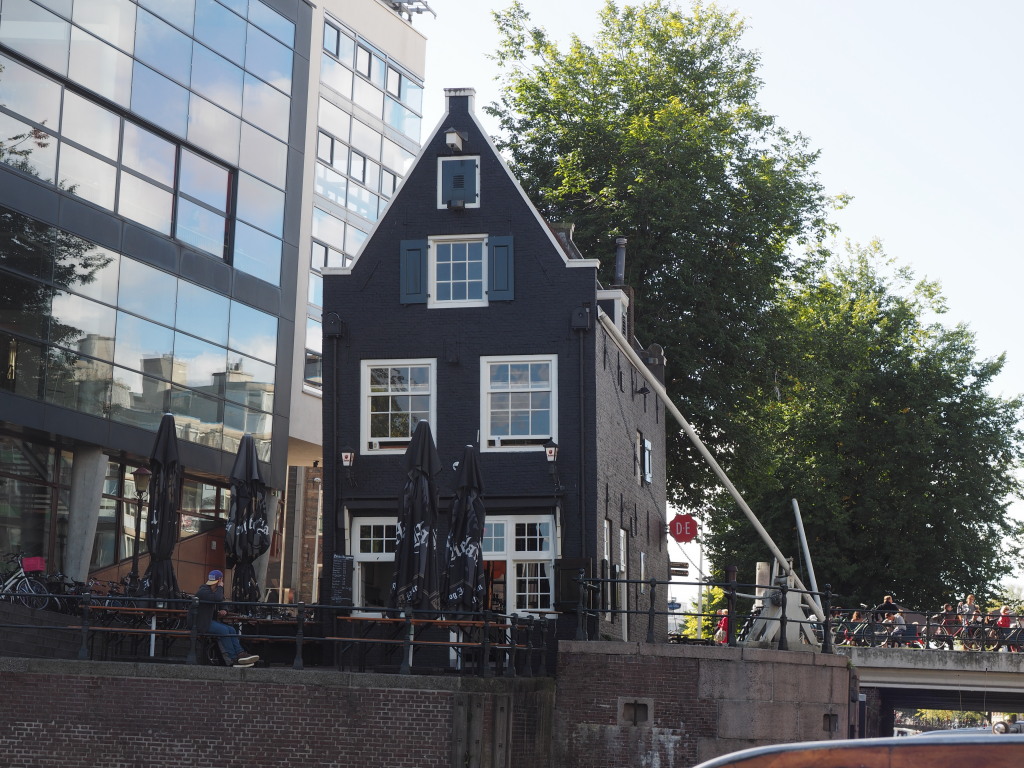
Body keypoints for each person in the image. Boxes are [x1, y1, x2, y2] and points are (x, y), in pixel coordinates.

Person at [196, 569, 259, 667]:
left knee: (231, 629)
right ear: (220, 579)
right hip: (201, 623)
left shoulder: (214, 591)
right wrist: (220, 587)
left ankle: (240, 653)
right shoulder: (203, 591)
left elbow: (221, 601)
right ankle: (233, 658)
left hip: (209, 621)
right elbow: (217, 598)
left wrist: (224, 610)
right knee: (224, 630)